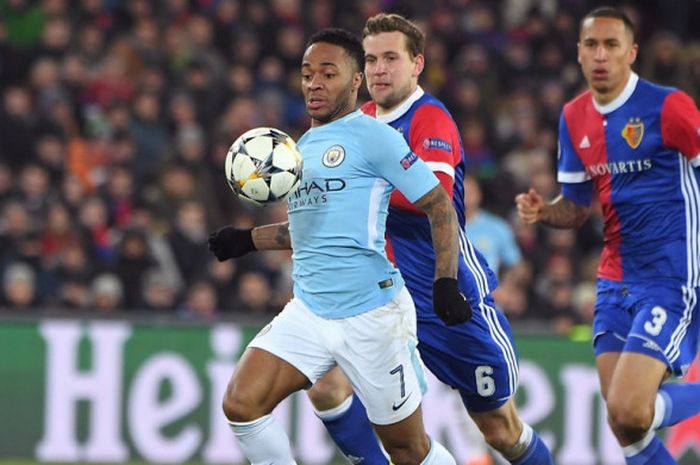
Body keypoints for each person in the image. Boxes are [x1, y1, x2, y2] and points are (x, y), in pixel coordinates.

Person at [208, 28, 469, 464]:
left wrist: (446, 281)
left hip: (372, 315)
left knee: (407, 449)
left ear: (354, 82)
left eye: (328, 74)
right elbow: (310, 230)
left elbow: (440, 207)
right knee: (241, 404)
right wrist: (246, 241)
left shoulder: (374, 136)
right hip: (309, 310)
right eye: (308, 73)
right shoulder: (299, 149)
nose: (314, 83)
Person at [301, 14, 553, 465]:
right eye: (372, 60)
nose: (380, 70)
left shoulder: (429, 119)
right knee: (325, 385)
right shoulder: (357, 122)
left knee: (500, 431)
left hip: (443, 291)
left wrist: (355, 184)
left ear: (417, 64)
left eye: (391, 59)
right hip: (376, 294)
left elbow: (426, 199)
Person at [515, 7, 700, 465]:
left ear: (631, 53)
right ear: (578, 52)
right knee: (624, 425)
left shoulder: (668, 106)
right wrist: (544, 213)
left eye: (611, 45)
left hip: (671, 276)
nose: (601, 55)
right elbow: (576, 208)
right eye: (591, 45)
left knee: (631, 408)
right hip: (614, 279)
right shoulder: (573, 117)